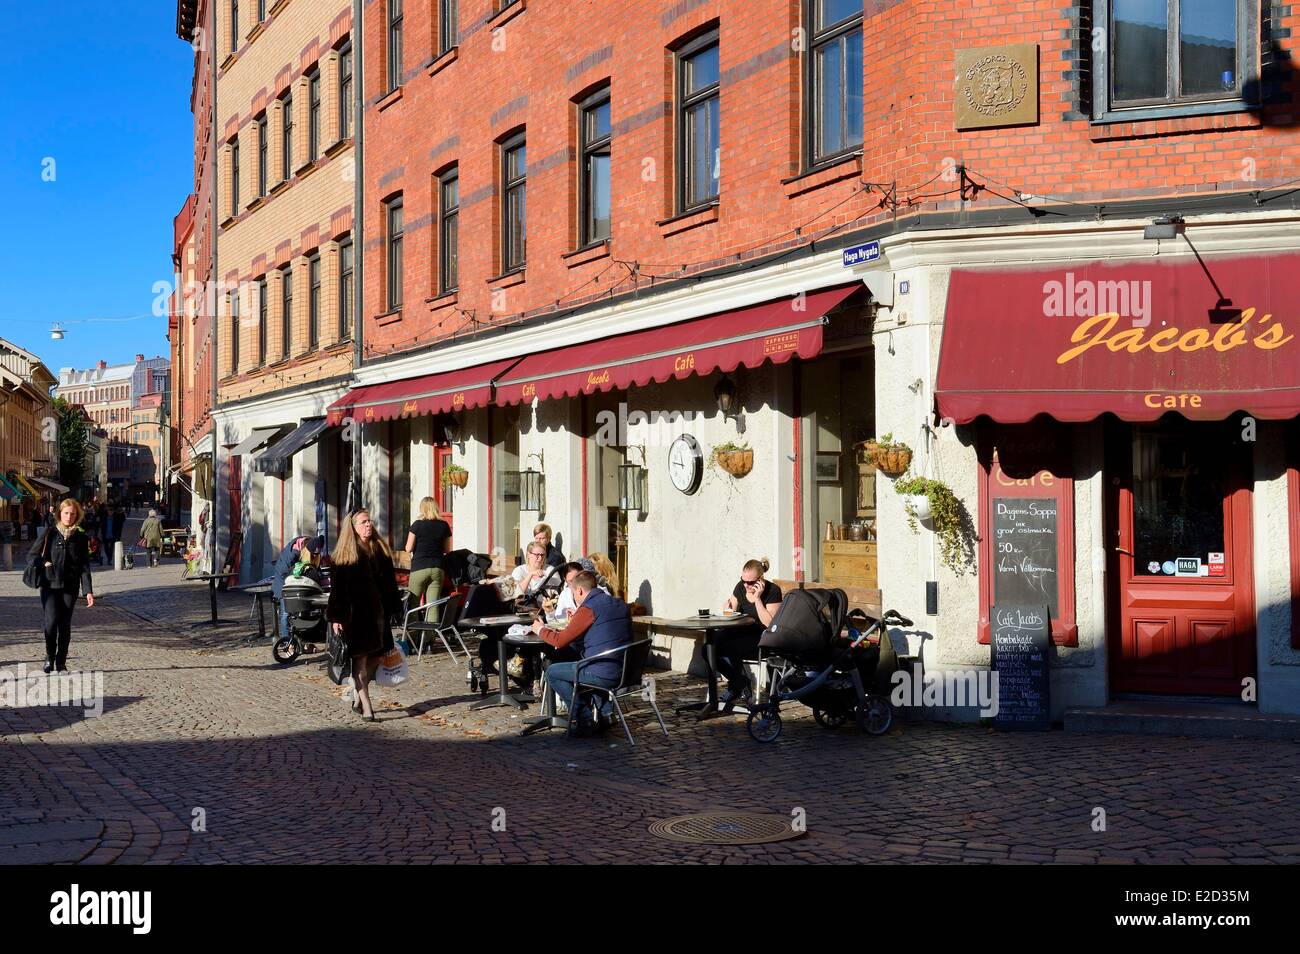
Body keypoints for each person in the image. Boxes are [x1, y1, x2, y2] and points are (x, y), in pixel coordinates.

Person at [531, 570, 632, 736]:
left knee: (552, 671)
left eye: (573, 593)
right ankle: (606, 712)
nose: (574, 598)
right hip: (625, 669)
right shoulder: (619, 603)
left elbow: (559, 641)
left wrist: (540, 629)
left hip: (603, 672)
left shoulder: (588, 609)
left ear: (579, 590)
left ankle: (583, 718)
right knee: (579, 658)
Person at [326, 511, 402, 723]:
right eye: (364, 522)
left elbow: (390, 584)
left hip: (379, 616)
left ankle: (359, 696)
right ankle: (368, 707)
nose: (369, 525)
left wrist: (395, 608)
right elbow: (337, 591)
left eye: (370, 521)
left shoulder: (379, 549)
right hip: (356, 617)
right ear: (354, 527)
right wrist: (336, 618)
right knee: (359, 662)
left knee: (377, 658)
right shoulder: (344, 555)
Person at [26, 498, 95, 673]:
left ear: (77, 516)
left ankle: (61, 662)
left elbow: (84, 567)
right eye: (66, 513)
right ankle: (49, 657)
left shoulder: (80, 538)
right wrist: (43, 564)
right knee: (51, 623)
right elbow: (31, 556)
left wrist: (88, 591)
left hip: (70, 587)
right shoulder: (49, 533)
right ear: (59, 514)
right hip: (50, 585)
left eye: (72, 514)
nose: (69, 517)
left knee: (65, 624)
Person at [717, 558, 784, 706]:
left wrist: (758, 599)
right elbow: (731, 611)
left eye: (751, 582)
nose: (746, 585)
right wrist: (726, 609)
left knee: (729, 646)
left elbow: (769, 624)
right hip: (739, 632)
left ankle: (737, 686)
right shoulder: (740, 587)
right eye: (743, 580)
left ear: (761, 579)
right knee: (709, 647)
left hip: (761, 637)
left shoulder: (773, 591)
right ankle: (740, 683)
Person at [405, 496, 452, 618]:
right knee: (433, 605)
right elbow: (447, 549)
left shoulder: (417, 525)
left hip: (419, 568)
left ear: (422, 509)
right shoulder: (444, 526)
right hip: (437, 568)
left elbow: (408, 548)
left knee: (413, 603)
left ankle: (413, 634)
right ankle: (430, 635)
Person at [272, 534, 324, 639]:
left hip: (296, 584)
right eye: (313, 555)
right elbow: (283, 573)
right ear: (306, 551)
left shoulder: (310, 545)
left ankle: (300, 640)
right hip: (284, 585)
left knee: (299, 613)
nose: (314, 557)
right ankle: (286, 641)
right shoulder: (292, 555)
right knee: (286, 614)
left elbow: (314, 567)